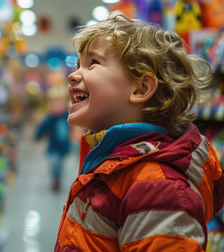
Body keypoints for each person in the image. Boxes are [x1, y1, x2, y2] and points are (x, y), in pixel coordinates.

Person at [55, 11, 224, 251]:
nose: (72, 75)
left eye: (93, 63)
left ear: (141, 88)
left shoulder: (158, 189)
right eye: (78, 63)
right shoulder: (113, 164)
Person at [35, 87, 71, 191]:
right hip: (53, 146)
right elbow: (43, 128)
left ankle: (58, 178)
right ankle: (55, 179)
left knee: (60, 165)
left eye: (59, 104)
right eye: (54, 105)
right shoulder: (50, 118)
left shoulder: (67, 116)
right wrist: (38, 136)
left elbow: (75, 124)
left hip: (64, 146)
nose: (57, 107)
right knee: (54, 163)